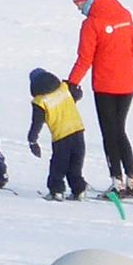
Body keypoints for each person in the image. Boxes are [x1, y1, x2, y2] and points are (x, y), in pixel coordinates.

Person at [66, 0, 133, 198]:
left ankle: (117, 183)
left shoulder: (91, 24)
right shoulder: (125, 16)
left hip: (106, 86)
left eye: (78, 0)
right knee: (120, 130)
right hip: (128, 85)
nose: (77, 6)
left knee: (110, 133)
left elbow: (84, 58)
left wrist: (71, 84)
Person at [27, 67, 89, 201]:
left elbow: (36, 122)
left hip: (61, 136)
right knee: (75, 164)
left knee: (58, 165)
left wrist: (32, 140)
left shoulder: (40, 101)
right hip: (78, 130)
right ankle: (79, 190)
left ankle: (57, 191)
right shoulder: (64, 88)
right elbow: (78, 94)